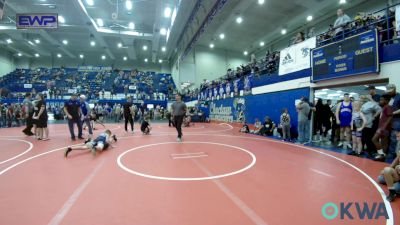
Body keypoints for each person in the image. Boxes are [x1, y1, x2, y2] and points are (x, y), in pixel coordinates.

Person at [373, 95, 393, 161]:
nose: (380, 101)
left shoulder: (388, 107)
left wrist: (384, 127)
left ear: (387, 101)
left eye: (382, 100)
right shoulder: (384, 107)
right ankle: (382, 156)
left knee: (374, 139)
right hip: (382, 127)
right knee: (383, 142)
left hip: (384, 128)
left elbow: (390, 117)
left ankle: (381, 154)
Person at [387, 84, 400, 159]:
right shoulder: (391, 98)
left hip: (397, 120)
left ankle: (393, 154)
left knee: (395, 137)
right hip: (392, 120)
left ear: (394, 89)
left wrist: (393, 113)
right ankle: (392, 153)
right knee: (392, 137)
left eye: (390, 91)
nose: (389, 93)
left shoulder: (399, 97)